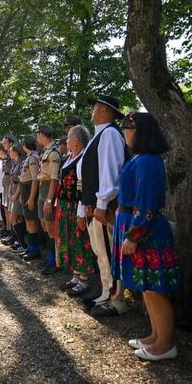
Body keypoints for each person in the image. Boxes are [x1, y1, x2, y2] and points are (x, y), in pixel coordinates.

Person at [113, 112, 179, 361]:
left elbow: (146, 202)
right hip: (135, 225)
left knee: (154, 287)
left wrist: (134, 235)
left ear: (141, 132)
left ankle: (165, 343)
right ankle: (155, 335)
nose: (124, 132)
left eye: (128, 128)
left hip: (146, 231)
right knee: (146, 286)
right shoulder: (141, 159)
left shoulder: (148, 161)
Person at [77, 95, 128, 316]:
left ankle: (115, 299)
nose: (92, 112)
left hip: (105, 207)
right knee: (101, 252)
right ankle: (106, 291)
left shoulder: (109, 134)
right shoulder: (100, 136)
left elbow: (111, 171)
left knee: (107, 251)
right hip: (96, 205)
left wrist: (102, 202)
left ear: (106, 111)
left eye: (95, 108)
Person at [56, 125, 97, 297]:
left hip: (76, 205)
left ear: (76, 140)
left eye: (68, 138)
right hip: (66, 205)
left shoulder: (85, 157)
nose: (66, 141)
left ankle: (84, 280)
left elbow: (85, 186)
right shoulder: (70, 156)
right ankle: (75, 276)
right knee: (69, 238)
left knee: (80, 239)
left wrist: (82, 210)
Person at [36, 124, 62, 275]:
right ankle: (50, 256)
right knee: (44, 223)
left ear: (42, 135)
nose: (37, 138)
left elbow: (54, 179)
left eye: (38, 135)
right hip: (42, 187)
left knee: (51, 226)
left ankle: (55, 261)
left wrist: (49, 200)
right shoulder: (45, 151)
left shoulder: (53, 153)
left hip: (48, 190)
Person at [19, 135, 42, 260]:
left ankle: (35, 249)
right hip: (25, 188)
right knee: (28, 220)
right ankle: (30, 247)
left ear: (25, 145)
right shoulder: (28, 157)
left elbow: (35, 179)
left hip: (29, 190)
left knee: (31, 220)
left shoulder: (33, 158)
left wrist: (32, 198)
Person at [4, 143, 28, 255]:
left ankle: (22, 243)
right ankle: (19, 241)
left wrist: (15, 195)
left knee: (14, 217)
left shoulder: (21, 163)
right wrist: (9, 192)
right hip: (12, 190)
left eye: (11, 151)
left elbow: (20, 181)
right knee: (16, 218)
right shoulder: (15, 163)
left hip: (18, 193)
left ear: (16, 151)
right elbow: (11, 179)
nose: (9, 152)